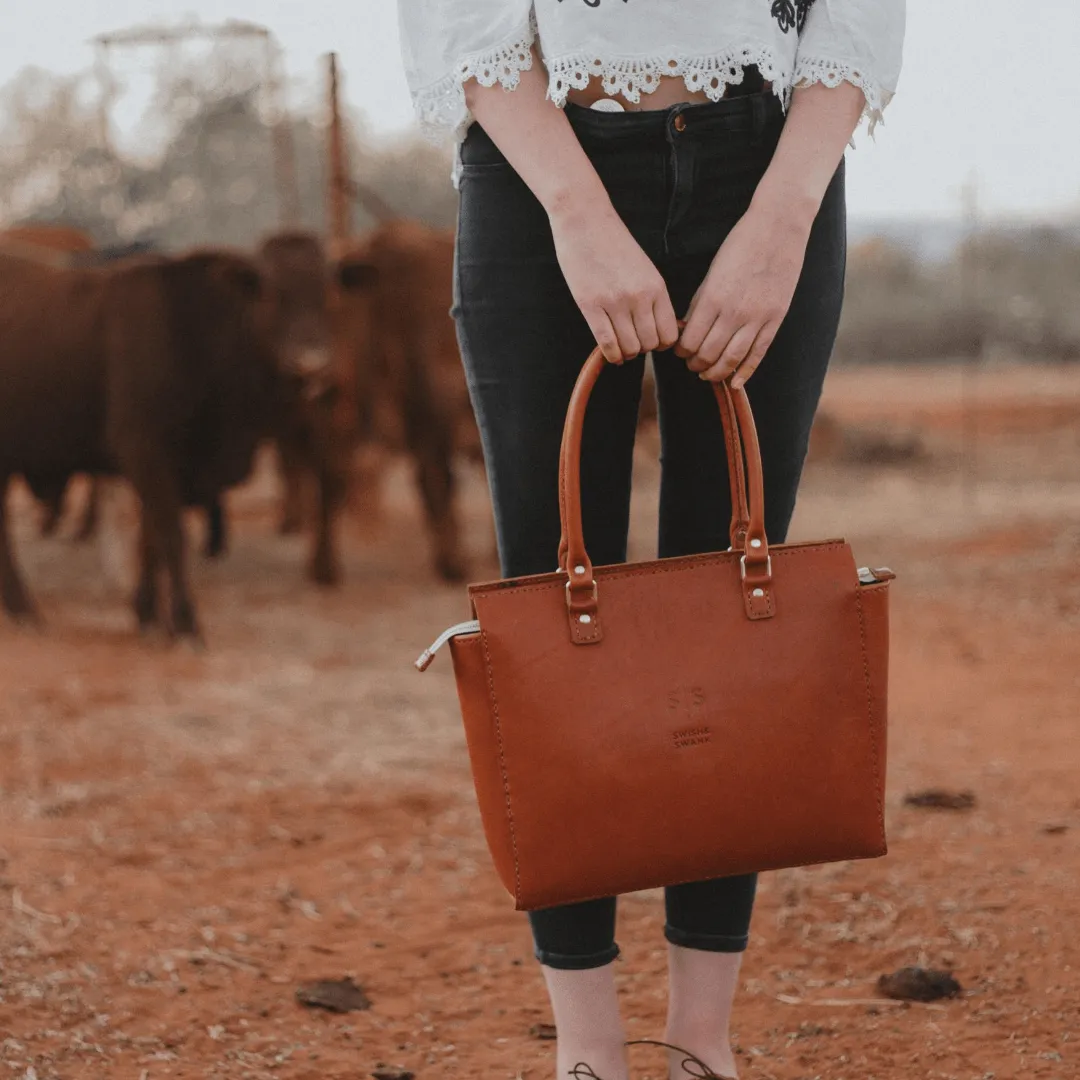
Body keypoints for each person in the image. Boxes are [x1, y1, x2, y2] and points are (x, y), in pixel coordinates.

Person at [397, 2, 905, 1077]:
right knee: (547, 597)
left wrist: (781, 223)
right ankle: (587, 1053)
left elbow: (857, 19)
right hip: (540, 168)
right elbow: (468, 29)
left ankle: (702, 1044)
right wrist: (578, 215)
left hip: (771, 169)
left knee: (736, 593)